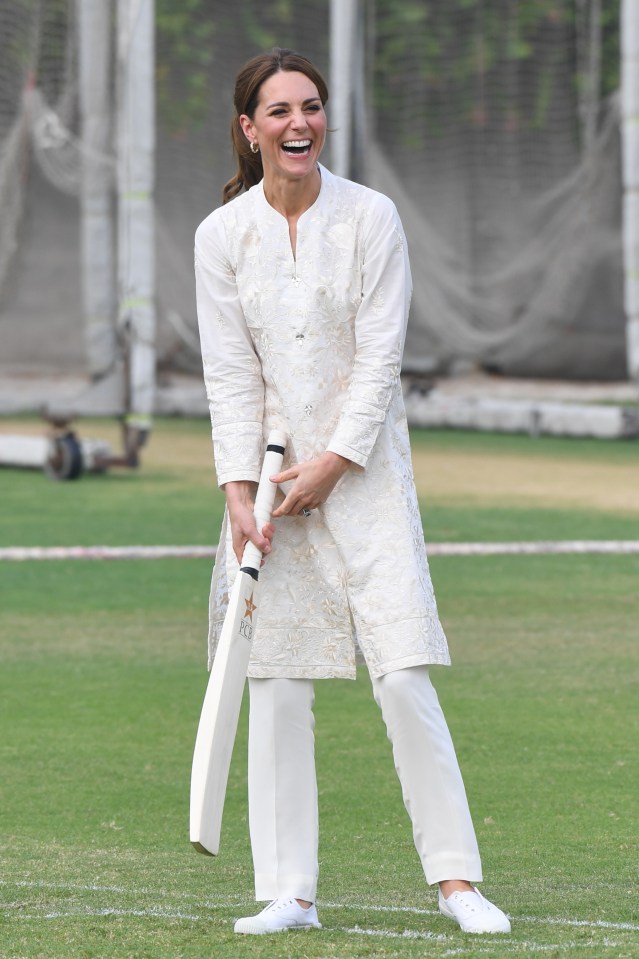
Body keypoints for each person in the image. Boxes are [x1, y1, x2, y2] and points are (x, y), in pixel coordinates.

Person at [194, 47, 510, 937]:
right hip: (267, 482)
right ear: (249, 129)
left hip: (365, 477)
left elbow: (379, 362)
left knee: (403, 673)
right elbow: (229, 376)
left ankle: (455, 880)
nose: (300, 123)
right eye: (280, 110)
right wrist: (238, 490)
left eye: (313, 106)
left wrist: (333, 462)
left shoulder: (371, 218)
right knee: (279, 683)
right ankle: (289, 892)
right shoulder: (220, 238)